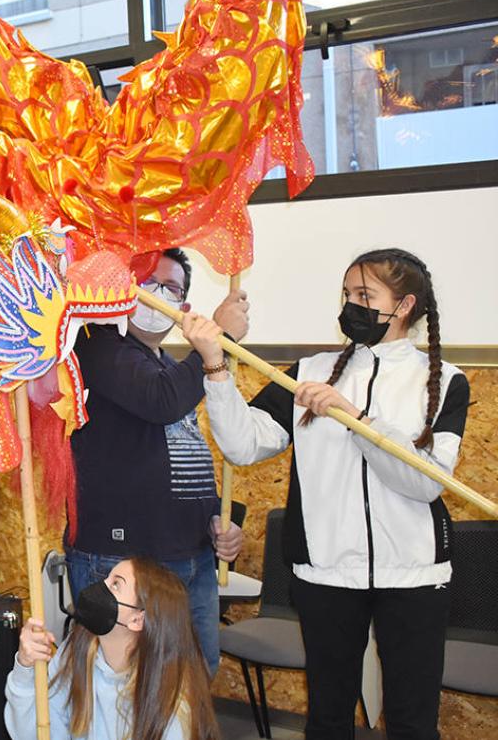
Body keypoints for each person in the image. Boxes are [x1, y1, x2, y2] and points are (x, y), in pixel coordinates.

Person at [186, 247, 467, 739]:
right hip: (327, 573)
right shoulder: (308, 372)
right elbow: (242, 444)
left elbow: (424, 483)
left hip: (415, 576)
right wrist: (216, 372)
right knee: (328, 719)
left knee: (412, 722)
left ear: (403, 307)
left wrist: (357, 420)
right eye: (347, 294)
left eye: (365, 295)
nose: (350, 305)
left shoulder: (443, 381)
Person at [62, 248, 245, 675]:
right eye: (147, 281)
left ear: (181, 308)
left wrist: (217, 521)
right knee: (126, 688)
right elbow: (159, 402)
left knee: (194, 682)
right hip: (120, 560)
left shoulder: (166, 367)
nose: (156, 294)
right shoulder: (96, 345)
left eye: (171, 289)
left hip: (192, 554)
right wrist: (219, 340)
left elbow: (180, 449)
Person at [6, 557, 220, 740]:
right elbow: (37, 734)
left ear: (138, 620)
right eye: (107, 578)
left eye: (116, 585)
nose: (100, 587)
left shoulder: (171, 705)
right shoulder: (77, 649)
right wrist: (25, 667)